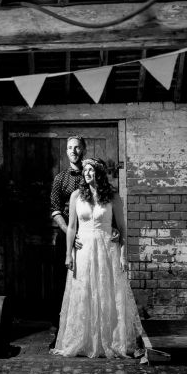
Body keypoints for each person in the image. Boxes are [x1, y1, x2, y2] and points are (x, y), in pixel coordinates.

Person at [50, 158, 145, 358]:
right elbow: (72, 227)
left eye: (91, 170)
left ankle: (110, 340)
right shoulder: (77, 195)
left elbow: (122, 228)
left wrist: (123, 254)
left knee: (107, 291)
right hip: (83, 249)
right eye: (85, 170)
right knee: (84, 291)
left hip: (106, 248)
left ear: (99, 173)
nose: (87, 173)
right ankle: (84, 341)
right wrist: (68, 254)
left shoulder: (112, 197)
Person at [49, 137, 119, 348]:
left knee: (98, 282)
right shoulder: (61, 179)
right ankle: (63, 332)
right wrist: (70, 233)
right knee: (65, 284)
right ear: (66, 152)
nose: (73, 151)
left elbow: (108, 208)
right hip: (70, 234)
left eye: (77, 147)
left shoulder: (95, 174)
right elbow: (54, 208)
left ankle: (100, 331)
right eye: (70, 148)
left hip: (95, 234)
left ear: (84, 150)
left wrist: (113, 227)